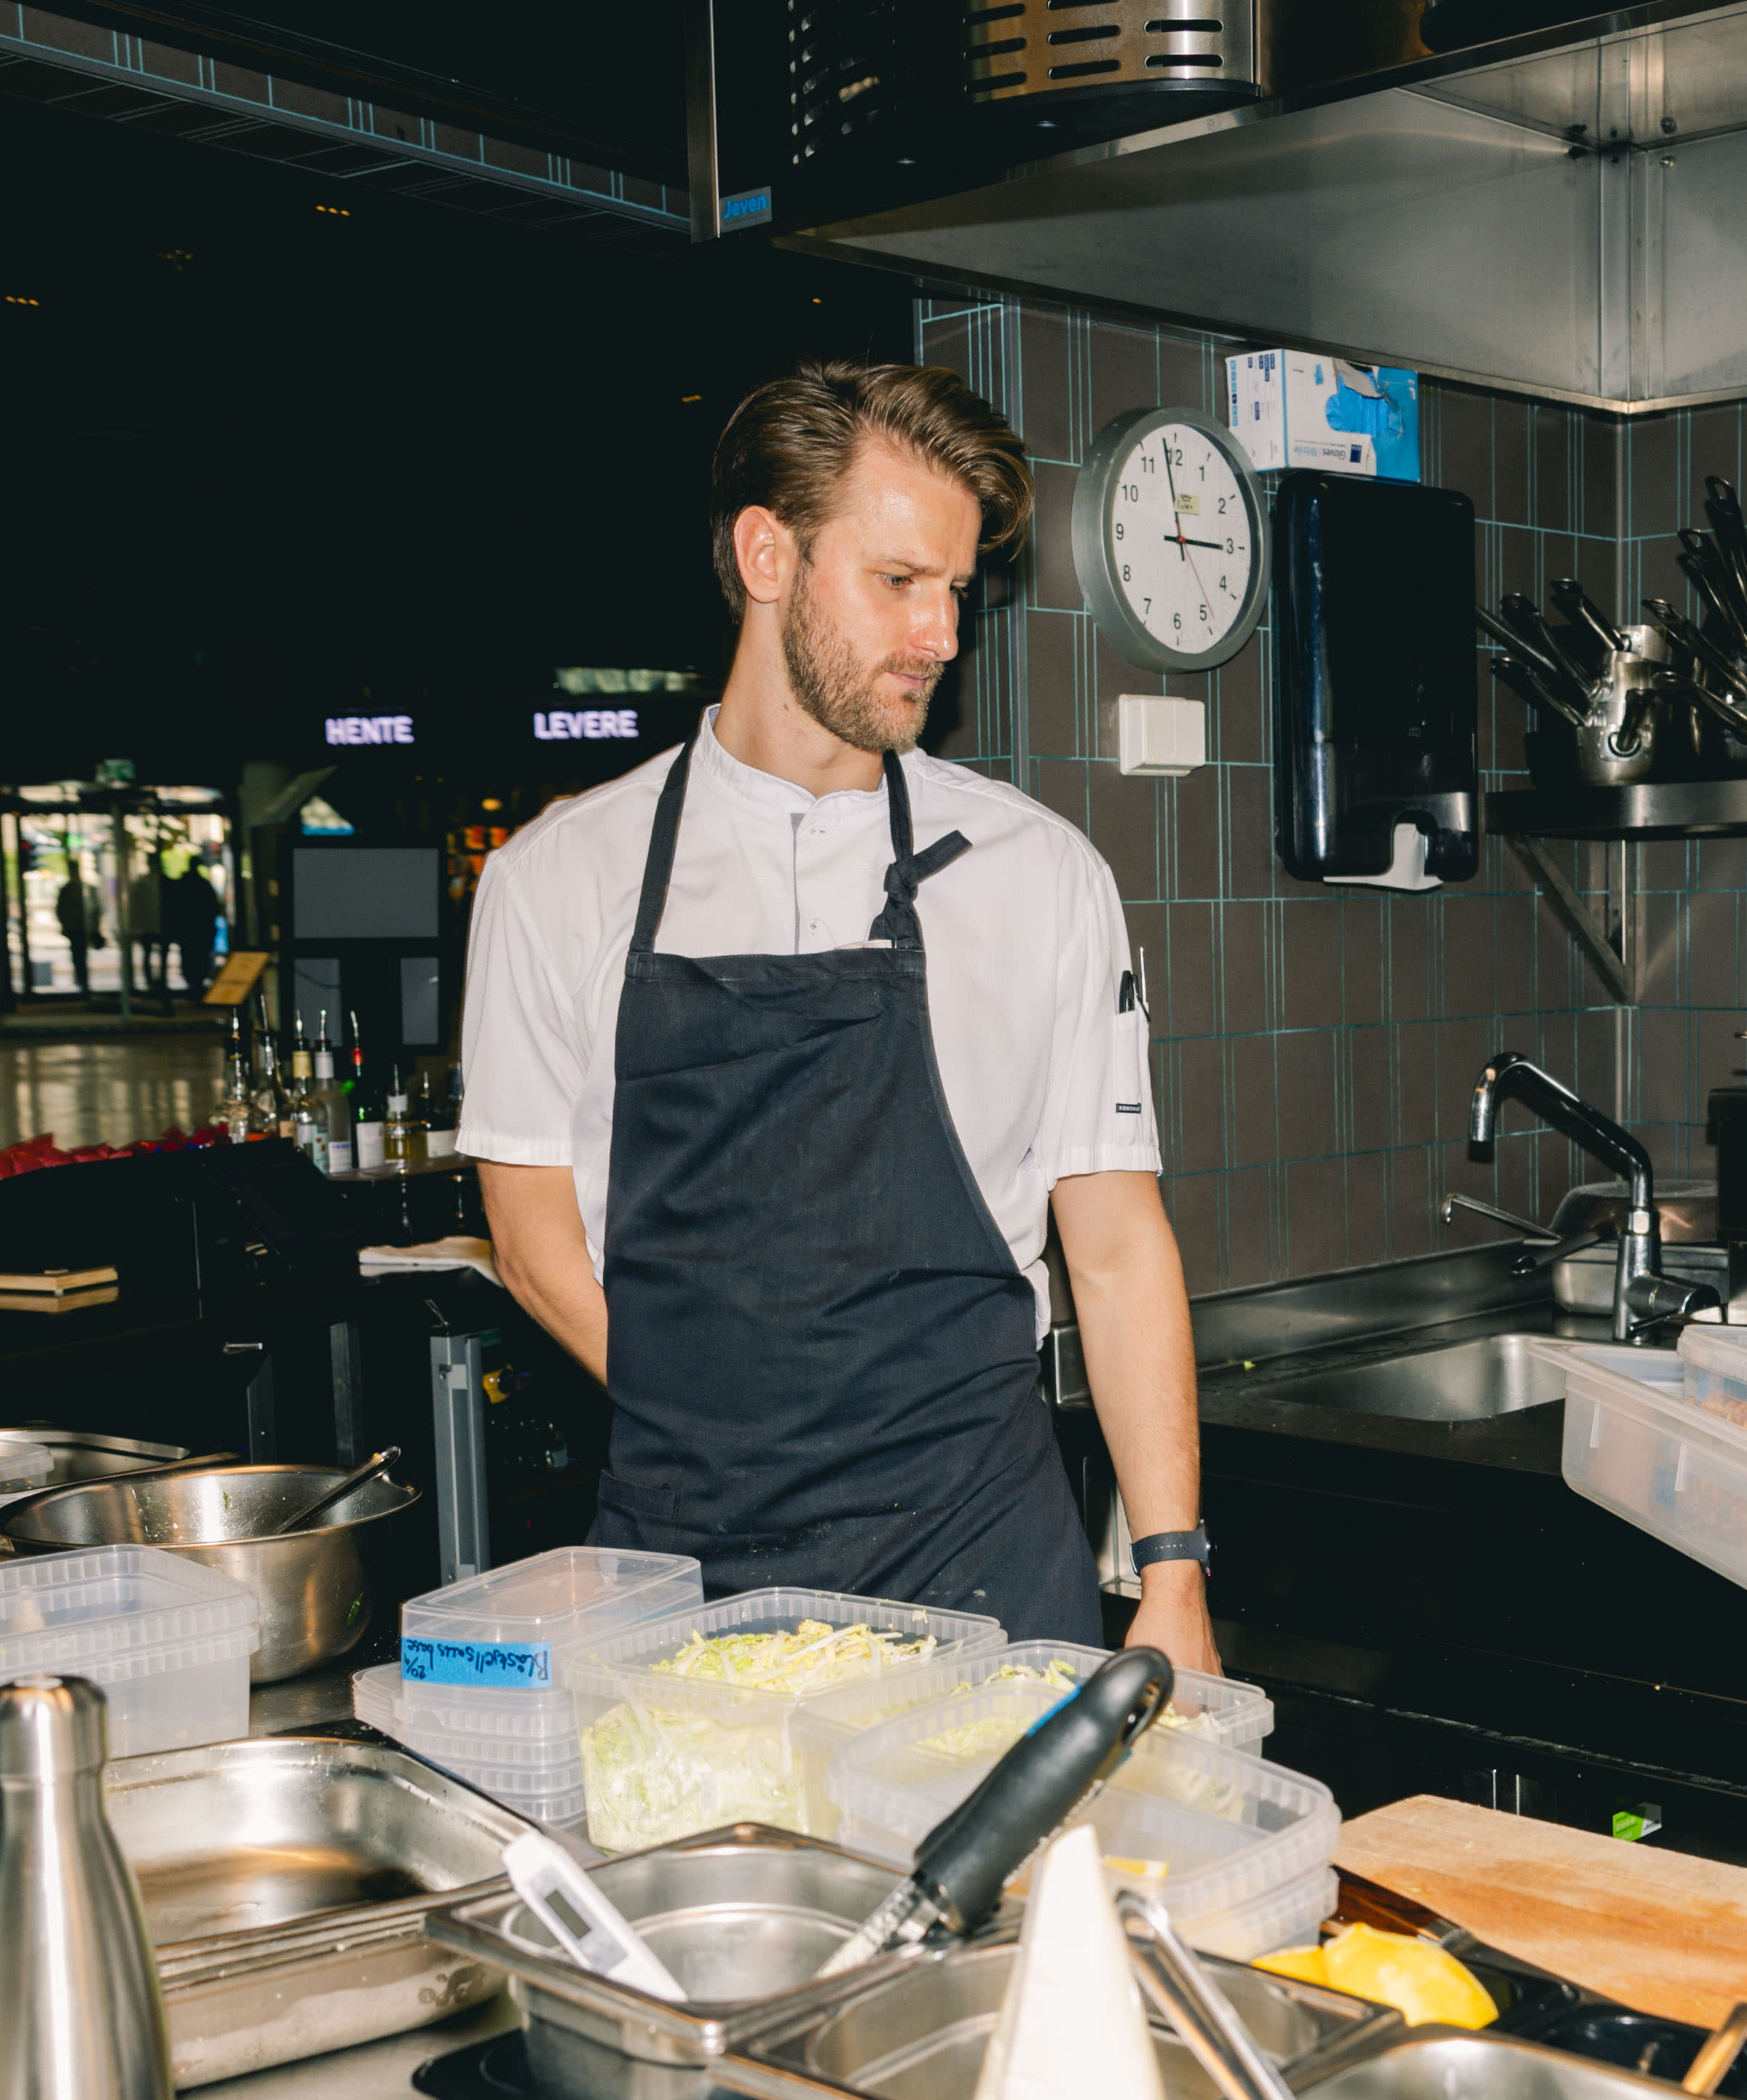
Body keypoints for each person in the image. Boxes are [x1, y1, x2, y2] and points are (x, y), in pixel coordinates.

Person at [460, 362, 1212, 1665]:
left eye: (957, 592)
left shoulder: (1039, 876)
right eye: (898, 583)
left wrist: (1172, 1573)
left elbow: (1116, 1246)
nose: (942, 635)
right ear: (767, 553)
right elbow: (528, 1238)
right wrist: (713, 1423)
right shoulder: (556, 878)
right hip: (687, 1564)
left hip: (981, 1551)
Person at [166, 856, 225, 994]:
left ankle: (193, 982)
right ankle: (197, 981)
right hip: (200, 927)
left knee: (190, 955)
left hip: (188, 928)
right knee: (200, 955)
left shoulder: (184, 884)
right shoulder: (203, 884)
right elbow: (213, 907)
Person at [52, 861, 105, 996]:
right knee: (79, 956)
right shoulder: (77, 888)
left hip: (76, 927)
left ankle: (83, 982)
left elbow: (60, 910)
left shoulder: (71, 889)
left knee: (79, 956)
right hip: (77, 927)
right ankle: (83, 982)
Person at [125, 853, 170, 1003]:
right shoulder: (151, 882)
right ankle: (154, 983)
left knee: (152, 955)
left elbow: (136, 906)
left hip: (153, 925)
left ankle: (154, 983)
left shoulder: (147, 882)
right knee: (157, 955)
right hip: (153, 925)